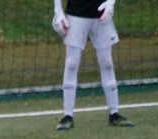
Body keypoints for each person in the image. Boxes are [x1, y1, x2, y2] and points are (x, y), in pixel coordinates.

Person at [51, 0, 134, 130]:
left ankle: (114, 114)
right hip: (75, 15)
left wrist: (110, 3)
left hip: (101, 15)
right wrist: (58, 11)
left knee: (107, 63)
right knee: (71, 64)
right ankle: (67, 116)